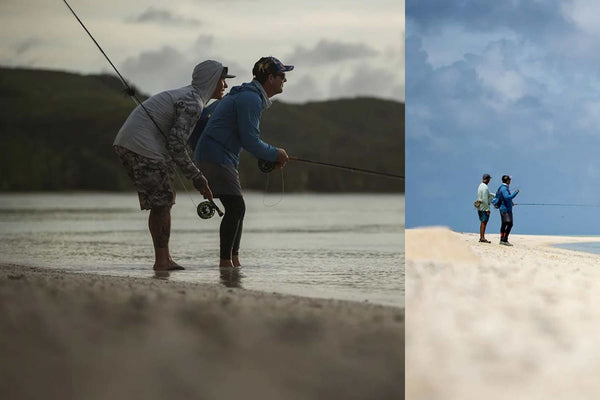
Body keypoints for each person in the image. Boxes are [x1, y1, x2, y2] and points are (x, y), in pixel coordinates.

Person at [113, 60, 235, 271]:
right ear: (212, 80)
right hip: (141, 146)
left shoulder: (189, 97)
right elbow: (176, 145)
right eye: (222, 80)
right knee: (163, 201)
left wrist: (194, 173)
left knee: (163, 200)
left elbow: (176, 143)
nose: (225, 85)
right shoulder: (192, 102)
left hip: (131, 144)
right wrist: (197, 177)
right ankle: (162, 262)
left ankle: (164, 259)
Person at [193, 56, 292, 268]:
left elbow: (205, 119)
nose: (285, 80)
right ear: (270, 78)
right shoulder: (251, 99)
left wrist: (269, 156)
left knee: (237, 208)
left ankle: (233, 260)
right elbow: (250, 141)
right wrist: (277, 154)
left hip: (216, 156)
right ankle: (226, 263)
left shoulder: (244, 95)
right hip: (216, 157)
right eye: (282, 76)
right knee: (236, 207)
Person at [497, 174, 519, 246]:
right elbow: (507, 197)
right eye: (509, 179)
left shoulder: (504, 187)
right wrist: (515, 193)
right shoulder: (503, 188)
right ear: (507, 180)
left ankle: (503, 239)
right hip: (505, 209)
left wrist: (511, 203)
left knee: (505, 224)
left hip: (506, 208)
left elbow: (505, 199)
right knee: (509, 223)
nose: (510, 180)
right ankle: (504, 239)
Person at [476, 173, 494, 243]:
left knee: (482, 222)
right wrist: (487, 209)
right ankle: (482, 238)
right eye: (489, 179)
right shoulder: (485, 187)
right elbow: (485, 199)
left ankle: (481, 237)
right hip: (484, 207)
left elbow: (487, 194)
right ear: (487, 179)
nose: (489, 181)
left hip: (480, 207)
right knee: (484, 222)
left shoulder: (481, 185)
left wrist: (494, 195)